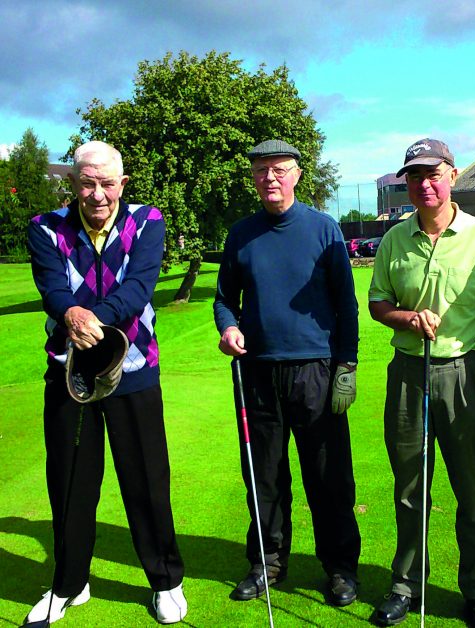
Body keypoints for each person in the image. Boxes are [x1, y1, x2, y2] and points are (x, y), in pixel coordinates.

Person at [26, 141, 187, 625]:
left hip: (133, 371)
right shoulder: (45, 227)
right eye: (87, 183)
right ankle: (69, 584)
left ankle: (165, 580)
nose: (98, 194)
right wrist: (68, 311)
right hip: (69, 375)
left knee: (147, 481)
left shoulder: (148, 220)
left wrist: (86, 318)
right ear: (72, 183)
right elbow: (51, 287)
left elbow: (138, 288)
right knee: (72, 482)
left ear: (123, 183)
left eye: (107, 183)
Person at [368, 138, 475, 627]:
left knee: (472, 491)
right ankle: (406, 586)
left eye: (433, 174)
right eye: (414, 176)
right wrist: (407, 318)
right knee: (410, 490)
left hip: (464, 374)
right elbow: (378, 304)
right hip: (408, 374)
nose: (423, 184)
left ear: (453, 175)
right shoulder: (394, 238)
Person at [213, 139, 361, 607]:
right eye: (260, 170)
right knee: (264, 477)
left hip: (316, 371)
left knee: (328, 477)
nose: (270, 178)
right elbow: (223, 299)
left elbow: (347, 305)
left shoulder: (324, 228)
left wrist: (347, 365)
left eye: (279, 169)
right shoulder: (240, 234)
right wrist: (228, 326)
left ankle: (339, 569)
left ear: (297, 174)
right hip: (257, 372)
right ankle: (266, 564)